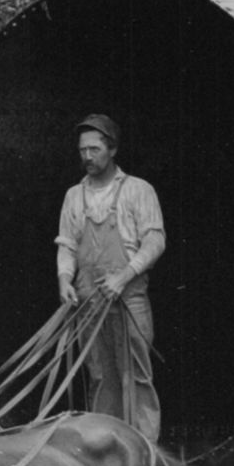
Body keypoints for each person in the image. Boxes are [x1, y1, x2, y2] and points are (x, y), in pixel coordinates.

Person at [54, 112, 168, 447]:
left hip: (129, 300)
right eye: (82, 151)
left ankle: (145, 455)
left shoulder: (137, 191)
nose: (87, 157)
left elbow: (155, 240)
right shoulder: (74, 196)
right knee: (101, 378)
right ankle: (106, 455)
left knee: (136, 377)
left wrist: (124, 275)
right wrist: (64, 278)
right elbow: (67, 245)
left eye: (94, 149)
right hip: (90, 303)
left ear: (112, 149)